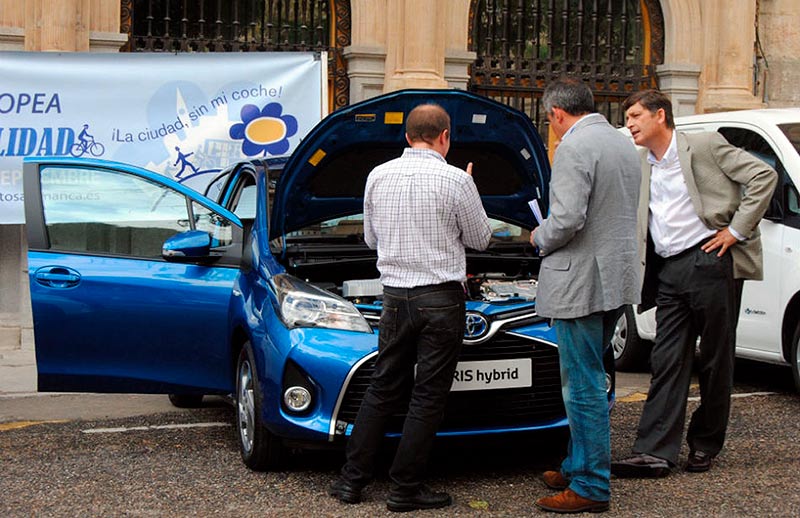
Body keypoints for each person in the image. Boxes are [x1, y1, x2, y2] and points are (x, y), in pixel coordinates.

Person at [328, 103, 492, 512]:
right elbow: (482, 239)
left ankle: (351, 482)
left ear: (407, 136)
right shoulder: (456, 180)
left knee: (383, 386)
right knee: (428, 395)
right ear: (445, 137)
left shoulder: (377, 176)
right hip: (440, 299)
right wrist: (469, 189)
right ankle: (405, 488)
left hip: (395, 297)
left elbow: (370, 239)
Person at [612, 90, 777, 478]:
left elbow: (763, 176)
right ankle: (654, 452)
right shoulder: (640, 162)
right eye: (627, 118)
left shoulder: (703, 144)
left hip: (712, 261)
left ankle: (705, 445)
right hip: (669, 271)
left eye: (636, 116)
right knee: (666, 359)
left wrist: (736, 231)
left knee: (717, 359)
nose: (630, 124)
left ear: (660, 115)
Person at [531, 78, 642, 513]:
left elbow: (568, 220)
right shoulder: (620, 143)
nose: (551, 127)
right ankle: (578, 464)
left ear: (557, 113)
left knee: (582, 385)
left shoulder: (573, 147)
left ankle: (592, 485)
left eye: (549, 120)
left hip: (581, 280)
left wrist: (539, 236)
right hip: (614, 277)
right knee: (593, 375)